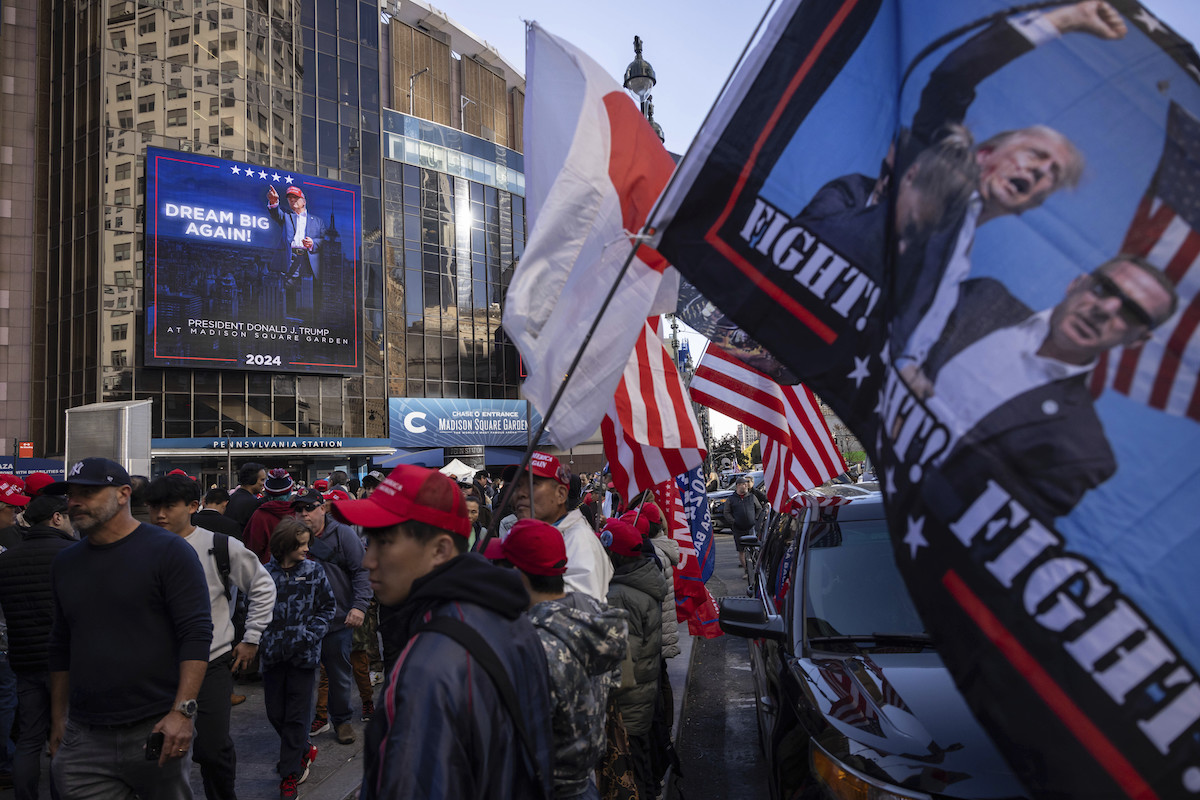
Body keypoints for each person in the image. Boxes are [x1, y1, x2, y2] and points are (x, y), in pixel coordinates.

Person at [331, 465, 555, 800]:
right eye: (369, 542)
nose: (368, 561)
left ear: (440, 549)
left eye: (384, 542)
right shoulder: (507, 616)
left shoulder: (427, 666)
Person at [917, 256, 1177, 522]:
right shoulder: (981, 300)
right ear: (1077, 283)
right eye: (1104, 288)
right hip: (868, 458)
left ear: (1139, 340)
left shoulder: (1082, 451)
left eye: (1130, 312)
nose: (1105, 309)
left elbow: (983, 533)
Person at [45, 457, 212, 798]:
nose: (75, 501)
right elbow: (61, 643)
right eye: (71, 493)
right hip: (84, 735)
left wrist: (182, 712)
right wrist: (58, 718)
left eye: (88, 492)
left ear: (123, 495)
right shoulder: (65, 562)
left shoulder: (168, 551)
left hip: (154, 728)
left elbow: (195, 633)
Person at [145, 474, 277, 800]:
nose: (159, 514)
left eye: (169, 506)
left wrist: (252, 637)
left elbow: (263, 586)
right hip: (153, 670)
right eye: (153, 506)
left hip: (211, 662)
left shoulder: (219, 545)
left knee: (213, 749)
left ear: (193, 507)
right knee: (155, 749)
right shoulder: (140, 547)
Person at [485, 519, 629, 800]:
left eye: (500, 567)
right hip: (581, 783)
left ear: (518, 575)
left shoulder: (536, 646)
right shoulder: (589, 614)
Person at [0, 494, 75, 800]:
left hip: (23, 657)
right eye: (67, 516)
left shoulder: (7, 559)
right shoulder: (73, 554)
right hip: (65, 661)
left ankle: (25, 795)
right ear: (57, 518)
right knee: (64, 733)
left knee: (30, 736)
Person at [261, 517, 336, 800]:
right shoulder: (263, 573)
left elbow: (328, 607)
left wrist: (310, 634)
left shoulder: (314, 571)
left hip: (304, 656)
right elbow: (251, 607)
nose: (306, 549)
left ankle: (289, 774)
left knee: (295, 717)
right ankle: (303, 750)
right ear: (285, 545)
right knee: (275, 713)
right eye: (302, 545)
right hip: (272, 656)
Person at [291, 489, 370, 746]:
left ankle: (342, 720)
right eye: (299, 510)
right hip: (301, 622)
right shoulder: (289, 536)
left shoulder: (343, 534)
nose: (304, 514)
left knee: (338, 674)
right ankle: (299, 724)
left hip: (337, 619)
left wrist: (359, 606)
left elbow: (362, 571)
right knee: (299, 675)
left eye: (309, 508)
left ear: (322, 509)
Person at [600, 517, 666, 800]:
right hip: (643, 699)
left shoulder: (619, 596)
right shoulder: (641, 582)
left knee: (635, 779)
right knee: (645, 772)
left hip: (628, 709)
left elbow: (621, 671)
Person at [510, 452, 613, 603]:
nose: (520, 494)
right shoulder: (529, 534)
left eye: (533, 484)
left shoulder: (580, 541)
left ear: (561, 494)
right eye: (518, 486)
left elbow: (578, 610)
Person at [267, 186, 327, 315]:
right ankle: (289, 316)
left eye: (296, 198)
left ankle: (310, 319)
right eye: (290, 198)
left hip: (308, 259)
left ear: (304, 201)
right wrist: (273, 202)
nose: (292, 200)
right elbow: (276, 214)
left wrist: (313, 243)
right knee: (289, 287)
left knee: (310, 289)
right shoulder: (286, 216)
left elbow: (324, 241)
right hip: (291, 256)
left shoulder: (317, 221)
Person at [244, 469, 299, 563]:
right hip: (297, 568)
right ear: (290, 491)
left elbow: (253, 547)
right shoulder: (299, 513)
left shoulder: (260, 515)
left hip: (267, 570)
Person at [723, 476, 763, 569]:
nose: (746, 486)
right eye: (743, 485)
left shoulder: (752, 497)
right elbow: (726, 512)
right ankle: (746, 570)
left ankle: (754, 568)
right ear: (738, 486)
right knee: (741, 550)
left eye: (746, 484)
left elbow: (759, 508)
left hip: (751, 528)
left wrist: (756, 519)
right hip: (738, 529)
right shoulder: (731, 499)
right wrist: (733, 521)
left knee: (754, 548)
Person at [225, 462, 267, 536]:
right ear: (252, 480)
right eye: (262, 480)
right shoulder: (254, 503)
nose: (263, 483)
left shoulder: (231, 498)